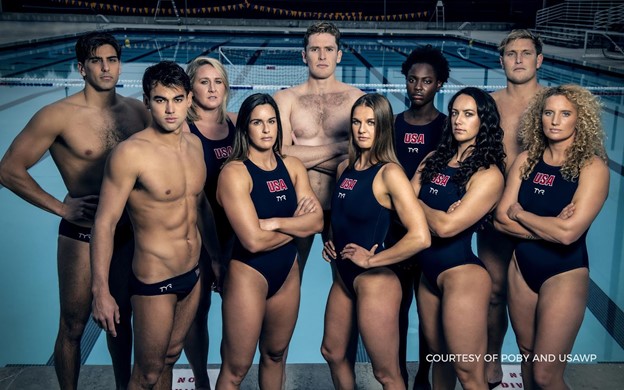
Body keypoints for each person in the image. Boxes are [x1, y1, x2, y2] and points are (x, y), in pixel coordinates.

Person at [0, 32, 149, 390]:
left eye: (112, 59)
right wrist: (60, 208)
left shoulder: (136, 110)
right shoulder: (56, 116)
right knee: (73, 325)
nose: (106, 67)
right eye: (97, 61)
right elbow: (8, 169)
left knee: (120, 320)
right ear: (81, 69)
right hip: (82, 233)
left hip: (128, 231)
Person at [91, 61, 215, 389]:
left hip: (193, 274)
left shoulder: (194, 145)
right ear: (147, 101)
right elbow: (104, 223)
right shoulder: (130, 154)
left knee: (171, 356)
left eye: (177, 99)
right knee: (146, 373)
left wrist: (216, 258)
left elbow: (200, 206)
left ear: (190, 99)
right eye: (160, 100)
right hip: (154, 279)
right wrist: (101, 290)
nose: (170, 109)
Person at [494, 84, 609, 389]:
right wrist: (548, 228)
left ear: (579, 119)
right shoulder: (526, 160)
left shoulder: (592, 167)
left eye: (565, 113)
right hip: (521, 270)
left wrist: (522, 214)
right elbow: (500, 220)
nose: (555, 120)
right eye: (549, 112)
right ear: (539, 117)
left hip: (564, 273)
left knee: (546, 374)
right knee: (527, 356)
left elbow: (568, 234)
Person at [321, 94, 431, 390]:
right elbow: (344, 216)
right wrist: (330, 240)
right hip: (344, 276)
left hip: (376, 281)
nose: (362, 129)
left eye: (370, 122)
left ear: (383, 127)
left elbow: (421, 235)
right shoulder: (344, 168)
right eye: (357, 122)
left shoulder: (389, 173)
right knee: (332, 352)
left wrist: (372, 260)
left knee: (386, 373)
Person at [215, 93, 323, 390]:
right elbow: (252, 241)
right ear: (245, 129)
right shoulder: (235, 172)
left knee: (275, 355)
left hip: (287, 272)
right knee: (236, 368)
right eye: (257, 122)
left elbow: (317, 222)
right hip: (249, 273)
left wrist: (276, 223)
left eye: (272, 121)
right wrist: (297, 226)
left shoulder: (292, 165)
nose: (266, 129)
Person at [411, 87, 506, 390]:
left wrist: (418, 208)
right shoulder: (434, 159)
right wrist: (432, 214)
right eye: (454, 113)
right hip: (428, 274)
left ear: (484, 121)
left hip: (462, 274)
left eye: (468, 114)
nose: (458, 121)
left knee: (467, 370)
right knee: (439, 360)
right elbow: (398, 208)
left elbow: (447, 228)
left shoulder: (488, 174)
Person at [477, 29, 545, 388]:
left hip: (538, 216)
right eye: (511, 53)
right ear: (500, 60)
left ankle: (532, 366)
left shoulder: (554, 102)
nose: (518, 59)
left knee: (532, 301)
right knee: (493, 292)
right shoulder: (489, 103)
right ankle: (491, 360)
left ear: (539, 60)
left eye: (525, 53)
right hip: (491, 216)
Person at [273, 21, 365, 275]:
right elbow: (278, 154)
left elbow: (363, 158)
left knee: (346, 278)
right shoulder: (286, 99)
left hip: (343, 203)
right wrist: (341, 147)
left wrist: (299, 154)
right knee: (288, 276)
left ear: (339, 55)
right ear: (304, 55)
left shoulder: (356, 98)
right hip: (298, 203)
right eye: (315, 49)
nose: (322, 56)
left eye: (328, 49)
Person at [386, 44, 450, 390]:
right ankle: (399, 375)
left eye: (427, 81)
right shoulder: (392, 126)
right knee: (396, 312)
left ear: (439, 84)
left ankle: (425, 377)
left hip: (432, 236)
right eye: (412, 79)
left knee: (429, 318)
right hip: (395, 232)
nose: (418, 87)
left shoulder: (448, 129)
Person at [183, 56, 237, 390]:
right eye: (204, 81)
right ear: (191, 87)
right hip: (198, 236)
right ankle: (201, 381)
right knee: (196, 312)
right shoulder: (182, 131)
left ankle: (227, 379)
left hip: (236, 234)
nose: (212, 88)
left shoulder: (236, 124)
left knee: (235, 315)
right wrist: (213, 252)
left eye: (218, 81)